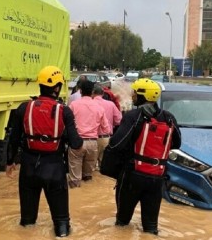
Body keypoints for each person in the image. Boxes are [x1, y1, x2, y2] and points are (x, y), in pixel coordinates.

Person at [5, 66, 83, 238]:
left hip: (28, 168)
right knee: (62, 224)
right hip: (55, 169)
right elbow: (76, 144)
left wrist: (10, 162)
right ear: (57, 88)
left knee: (27, 222)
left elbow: (13, 139)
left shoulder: (24, 108)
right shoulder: (64, 111)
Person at [106, 78, 181, 235]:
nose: (132, 96)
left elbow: (115, 144)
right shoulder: (169, 118)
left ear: (142, 96)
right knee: (151, 227)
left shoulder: (133, 116)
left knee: (122, 222)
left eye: (135, 93)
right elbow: (176, 143)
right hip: (157, 177)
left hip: (132, 176)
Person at [68, 80, 111, 188]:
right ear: (92, 92)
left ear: (80, 91)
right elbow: (106, 129)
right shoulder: (99, 108)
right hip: (93, 143)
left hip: (76, 142)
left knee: (74, 180)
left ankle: (76, 196)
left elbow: (66, 123)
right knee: (88, 177)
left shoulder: (73, 105)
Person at [92, 84, 122, 168]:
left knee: (90, 169)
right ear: (102, 93)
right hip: (105, 138)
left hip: (91, 139)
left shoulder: (90, 104)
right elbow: (119, 120)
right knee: (104, 167)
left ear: (92, 93)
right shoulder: (111, 104)